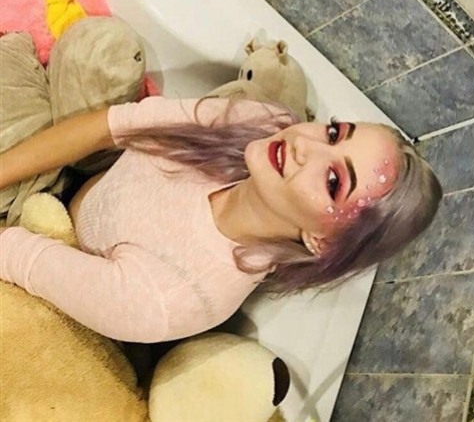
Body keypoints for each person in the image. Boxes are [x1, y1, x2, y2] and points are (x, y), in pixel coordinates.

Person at [0, 95, 442, 343]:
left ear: (321, 241)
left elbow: (14, 254)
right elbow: (112, 126)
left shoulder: (170, 296)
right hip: (71, 180)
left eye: (332, 181)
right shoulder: (259, 122)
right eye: (333, 133)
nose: (304, 144)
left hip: (40, 244)